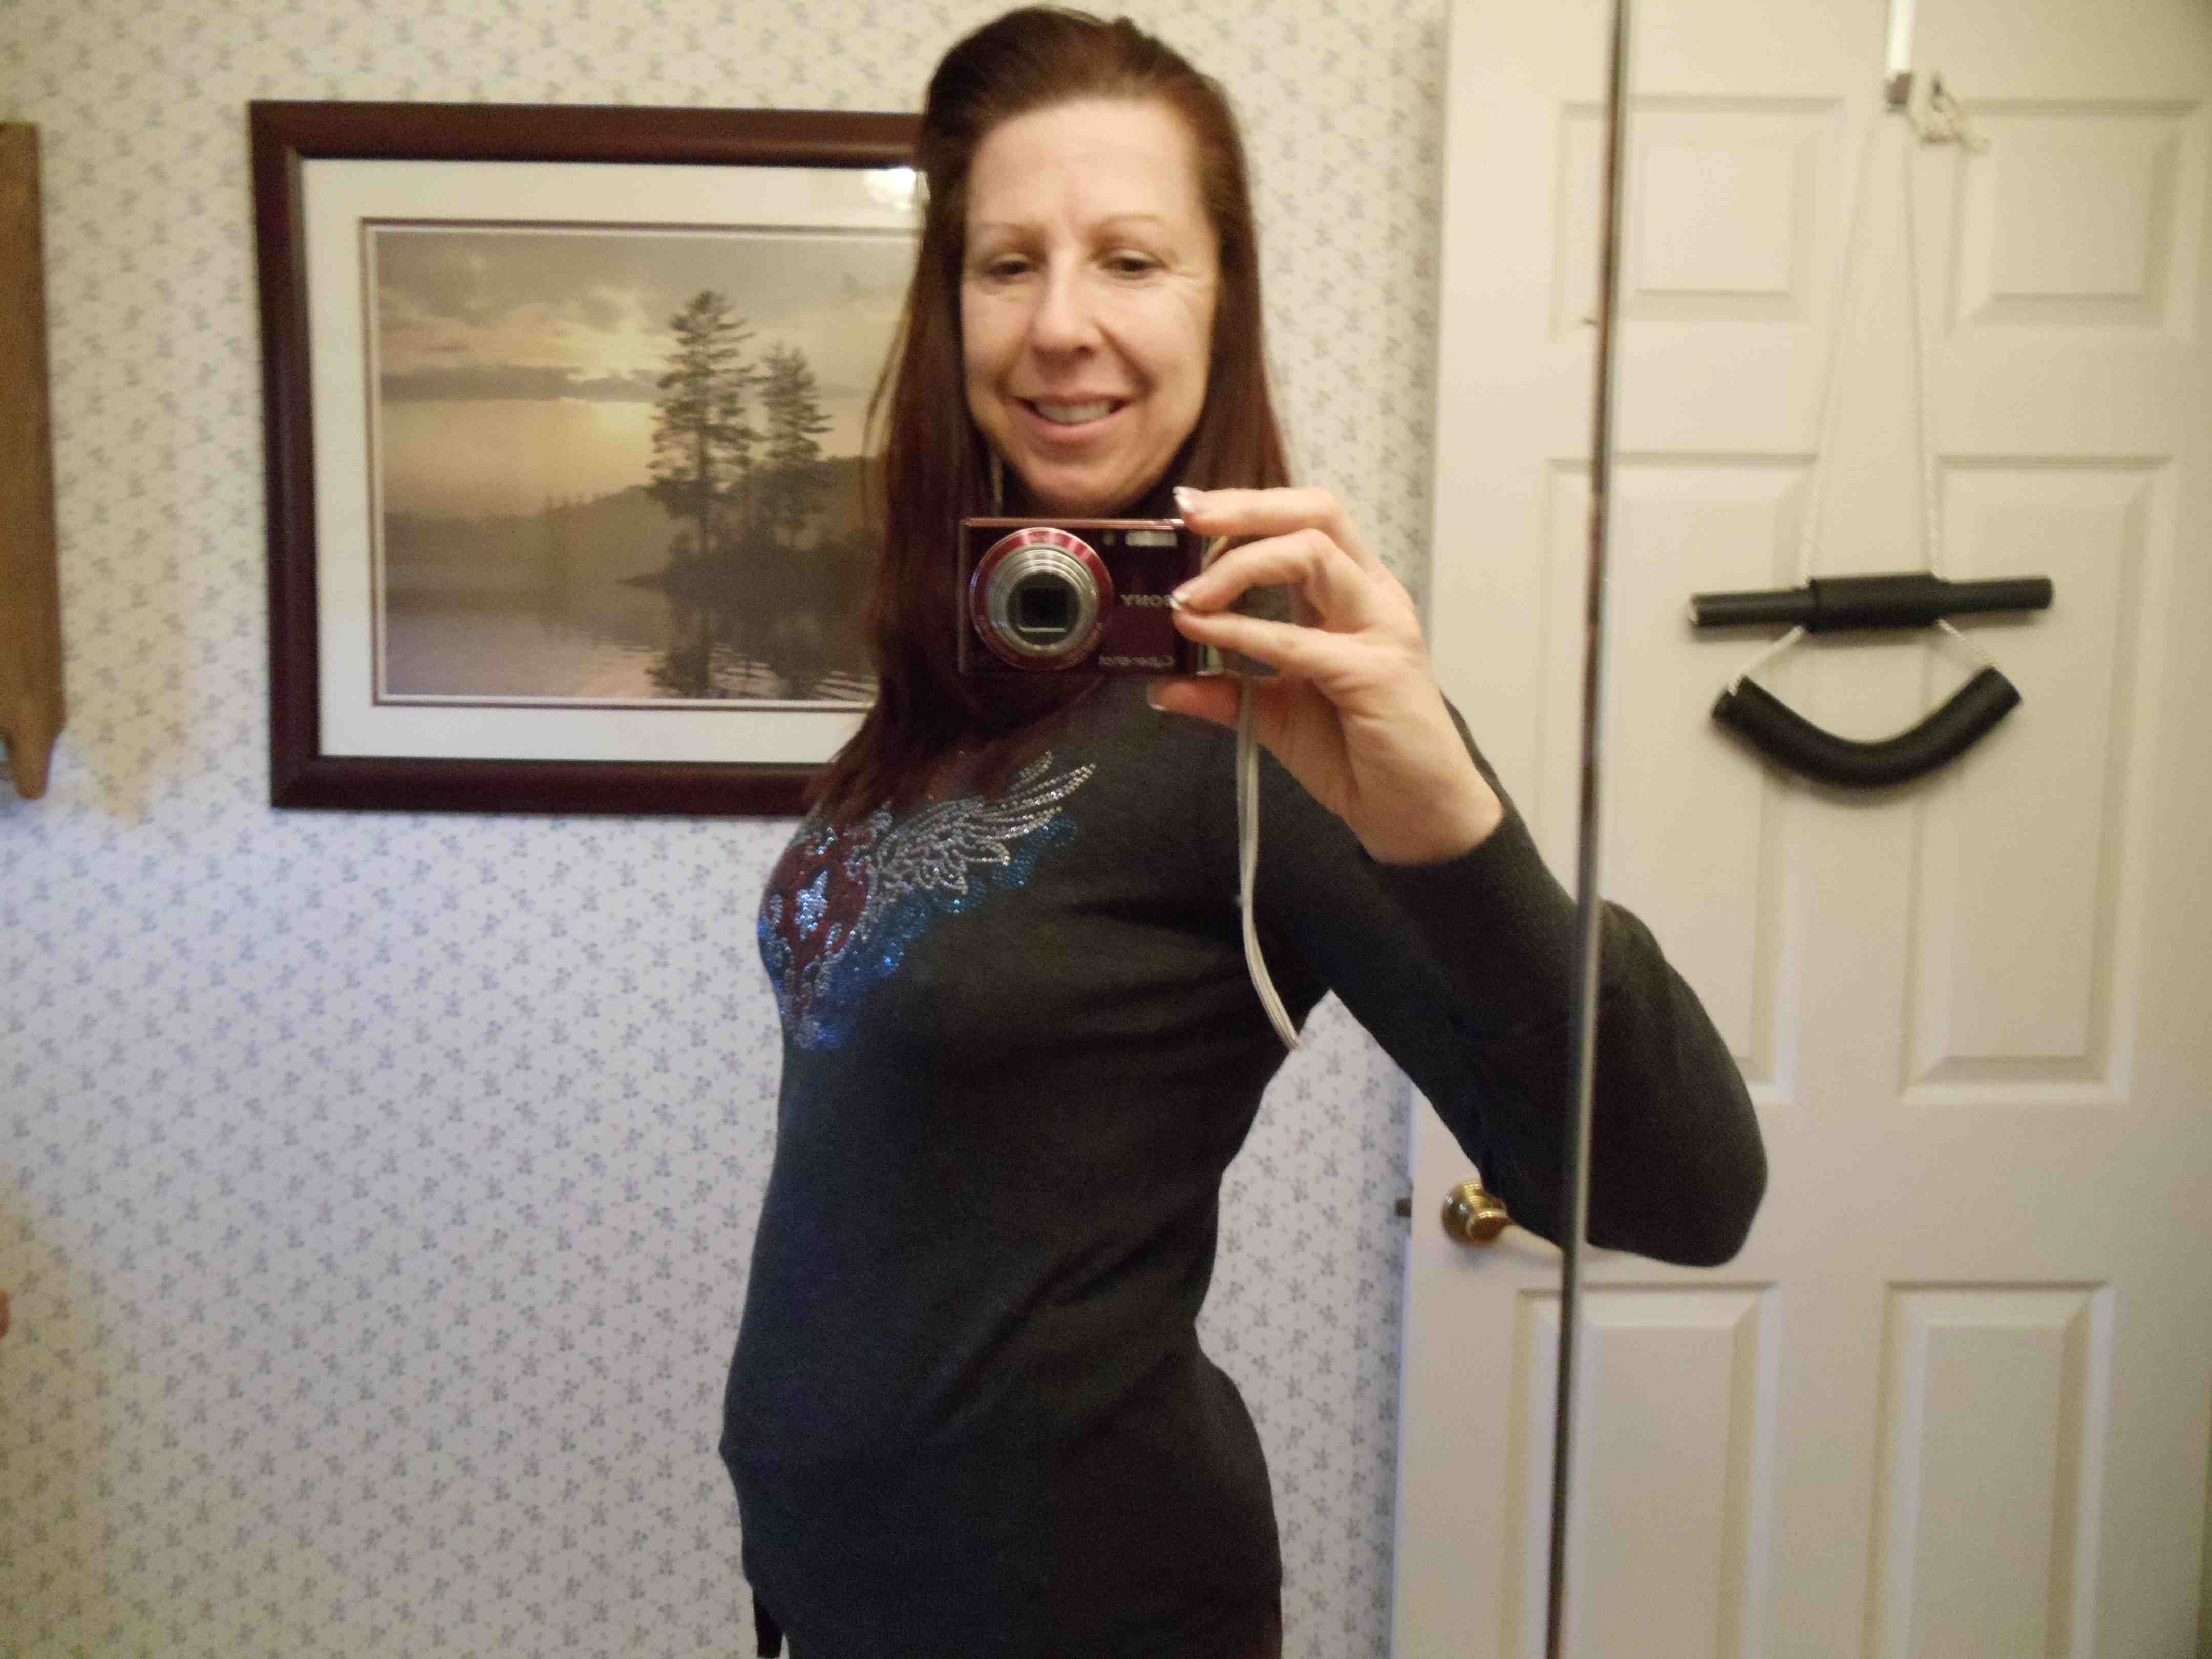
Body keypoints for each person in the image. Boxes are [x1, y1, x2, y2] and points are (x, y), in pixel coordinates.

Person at [720, 9, 1767, 1656]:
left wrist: (1457, 825)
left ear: (1224, 301)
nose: (1061, 323)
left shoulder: (1267, 707)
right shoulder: (974, 666)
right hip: (852, 1607)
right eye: (1008, 264)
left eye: (1132, 261)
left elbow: (1683, 1192)